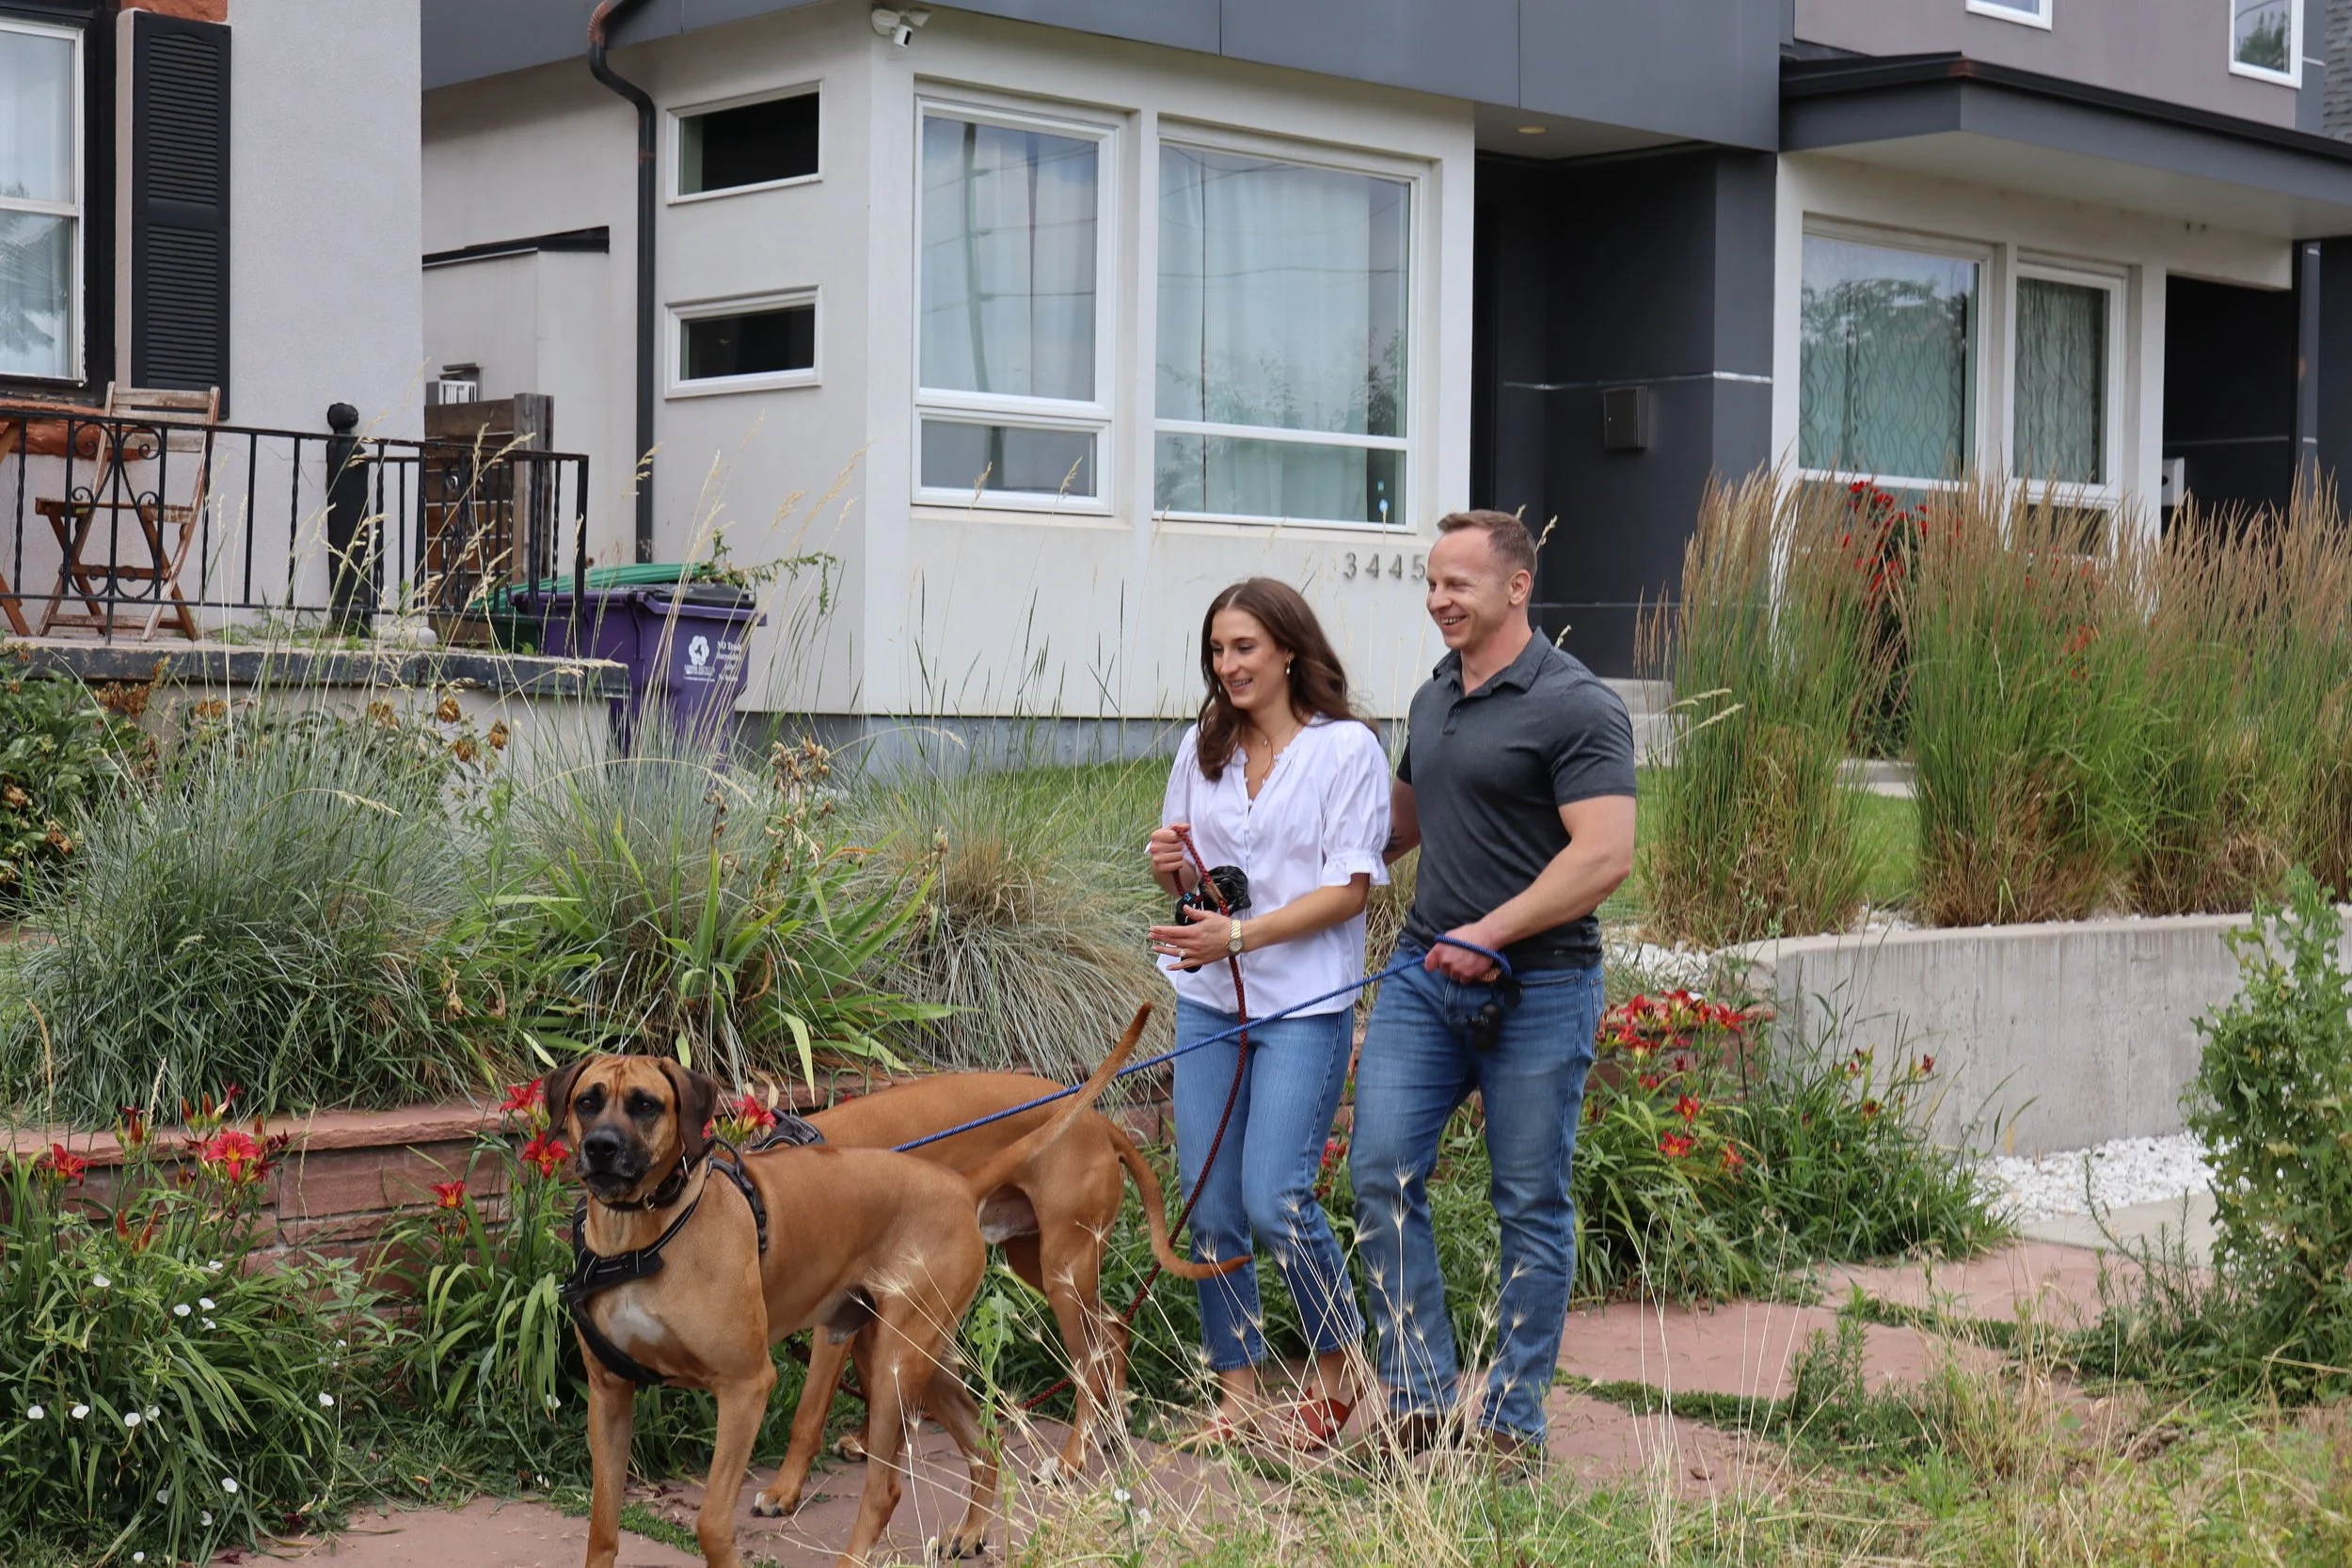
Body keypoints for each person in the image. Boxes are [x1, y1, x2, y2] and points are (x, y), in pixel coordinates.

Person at [1349, 510, 1637, 1465]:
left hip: (1540, 987)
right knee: (1380, 1171)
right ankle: (1421, 1401)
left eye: (1457, 584)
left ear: (1517, 587)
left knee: (1529, 1204)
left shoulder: (1576, 704)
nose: (1438, 600)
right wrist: (1238, 869)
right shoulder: (1435, 695)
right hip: (1425, 979)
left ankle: (1511, 1421)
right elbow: (1396, 829)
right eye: (1431, 583)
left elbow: (1604, 855)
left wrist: (1493, 930)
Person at [1146, 577, 1391, 1450]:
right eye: (1217, 650)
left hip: (1303, 1004)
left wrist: (1240, 936)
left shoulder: (1346, 749)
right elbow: (1190, 878)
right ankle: (1239, 1389)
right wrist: (1170, 866)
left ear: (1289, 648)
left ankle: (1342, 1365)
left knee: (1274, 1197)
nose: (1228, 664)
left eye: (1244, 646)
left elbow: (1348, 889)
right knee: (1210, 1202)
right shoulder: (1202, 744)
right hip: (1210, 1001)